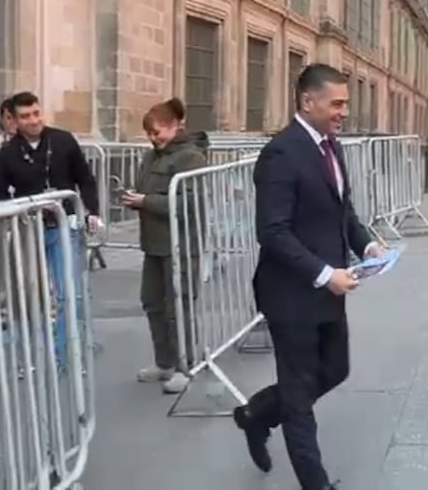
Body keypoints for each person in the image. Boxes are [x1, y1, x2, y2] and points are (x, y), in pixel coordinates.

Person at [233, 63, 385, 490]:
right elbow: (273, 232)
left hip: (330, 288)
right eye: (336, 103)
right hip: (290, 295)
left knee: (335, 371)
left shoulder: (332, 147)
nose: (343, 112)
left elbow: (343, 213)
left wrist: (368, 246)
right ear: (307, 101)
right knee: (299, 397)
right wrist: (323, 273)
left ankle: (256, 414)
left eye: (345, 104)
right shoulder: (281, 153)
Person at [0, 91, 101, 366]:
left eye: (37, 113)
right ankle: (35, 348)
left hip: (65, 226)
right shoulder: (7, 154)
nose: (33, 120)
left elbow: (85, 178)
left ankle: (65, 353)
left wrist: (92, 211)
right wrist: (11, 216)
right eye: (25, 116)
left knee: (68, 292)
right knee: (31, 294)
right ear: (13, 120)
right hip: (29, 230)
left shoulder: (63, 141)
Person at [123, 98, 206, 394]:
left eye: (158, 132)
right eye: (150, 133)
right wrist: (136, 198)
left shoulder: (191, 158)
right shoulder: (151, 157)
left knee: (179, 307)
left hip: (181, 245)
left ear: (174, 126)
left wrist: (146, 201)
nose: (153, 138)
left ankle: (186, 365)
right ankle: (164, 362)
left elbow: (188, 203)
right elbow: (148, 190)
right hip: (154, 244)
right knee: (153, 303)